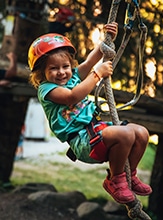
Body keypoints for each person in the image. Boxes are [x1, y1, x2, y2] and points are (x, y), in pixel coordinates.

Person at [27, 22, 152, 204]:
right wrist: (96, 75)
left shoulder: (74, 76)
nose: (61, 72)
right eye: (53, 68)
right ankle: (114, 181)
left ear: (71, 65)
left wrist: (106, 40)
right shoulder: (47, 89)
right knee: (125, 134)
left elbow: (90, 61)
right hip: (83, 141)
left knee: (141, 133)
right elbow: (72, 97)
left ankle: (128, 175)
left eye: (65, 66)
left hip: (98, 130)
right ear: (41, 72)